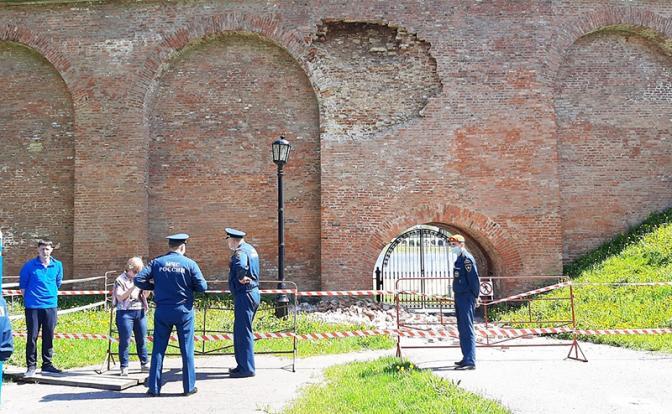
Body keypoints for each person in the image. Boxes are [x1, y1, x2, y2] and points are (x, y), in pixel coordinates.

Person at [134, 234, 207, 396]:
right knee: (186, 350)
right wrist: (189, 288)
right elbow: (202, 286)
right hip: (184, 311)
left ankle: (154, 388)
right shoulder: (189, 264)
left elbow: (138, 279)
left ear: (170, 246)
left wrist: (154, 286)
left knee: (158, 349)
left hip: (163, 310)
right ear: (182, 247)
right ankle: (188, 388)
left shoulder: (157, 262)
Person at [19, 239, 63, 377]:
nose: (45, 251)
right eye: (42, 249)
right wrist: (32, 299)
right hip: (33, 306)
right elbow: (23, 287)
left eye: (47, 249)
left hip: (50, 305)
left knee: (48, 335)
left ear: (52, 250)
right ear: (38, 250)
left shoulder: (58, 265)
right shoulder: (29, 266)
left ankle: (47, 364)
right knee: (32, 337)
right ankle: (31, 366)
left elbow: (58, 283)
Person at [226, 227, 260, 378]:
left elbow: (240, 264)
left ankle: (246, 369)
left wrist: (240, 277)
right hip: (252, 293)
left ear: (232, 240)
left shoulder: (240, 252)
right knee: (243, 331)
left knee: (243, 332)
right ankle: (242, 365)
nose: (228, 243)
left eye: (228, 239)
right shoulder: (250, 249)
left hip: (244, 294)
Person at [113, 257, 149, 376]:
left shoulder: (140, 279)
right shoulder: (120, 280)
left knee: (142, 338)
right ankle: (124, 366)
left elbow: (145, 296)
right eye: (135, 271)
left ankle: (144, 363)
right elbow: (120, 297)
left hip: (139, 311)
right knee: (125, 340)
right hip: (125, 312)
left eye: (139, 272)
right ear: (129, 268)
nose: (136, 274)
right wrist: (133, 286)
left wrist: (147, 288)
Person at [449, 234, 480, 370]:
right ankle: (465, 357)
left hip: (467, 297)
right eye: (451, 245)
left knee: (467, 328)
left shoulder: (467, 260)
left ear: (461, 244)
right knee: (462, 328)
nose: (452, 247)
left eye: (454, 245)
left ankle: (470, 361)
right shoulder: (459, 259)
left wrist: (475, 296)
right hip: (459, 296)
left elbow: (474, 279)